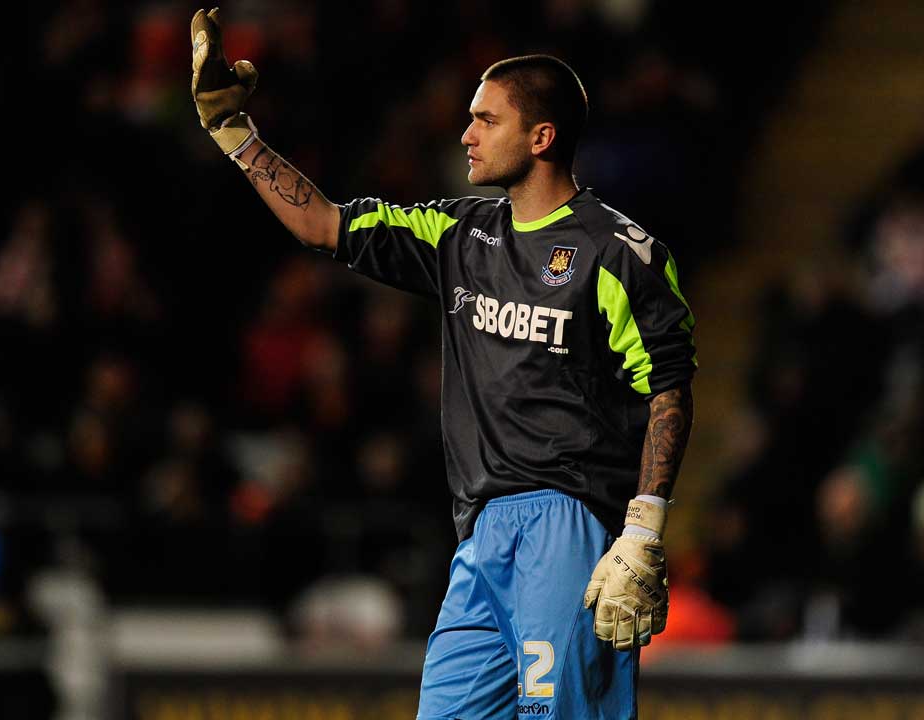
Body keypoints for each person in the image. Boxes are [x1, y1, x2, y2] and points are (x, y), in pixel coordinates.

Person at [191, 8, 696, 717]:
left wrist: (642, 531)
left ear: (542, 137)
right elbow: (324, 223)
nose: (466, 134)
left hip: (571, 523)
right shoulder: (459, 233)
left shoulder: (618, 253)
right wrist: (232, 131)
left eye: (487, 119)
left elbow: (669, 391)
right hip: (480, 531)